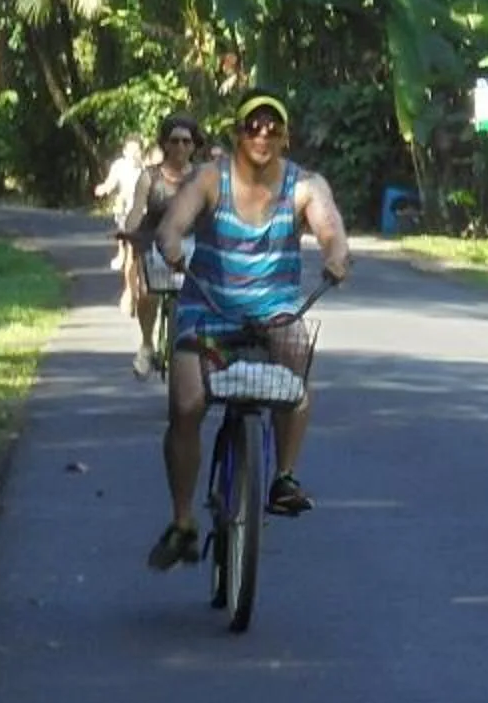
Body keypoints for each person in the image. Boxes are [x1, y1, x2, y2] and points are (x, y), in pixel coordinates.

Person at [143, 92, 350, 569]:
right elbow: (174, 223)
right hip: (207, 307)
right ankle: (182, 522)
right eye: (252, 126)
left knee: (296, 367)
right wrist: (171, 243)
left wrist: (337, 254)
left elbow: (329, 226)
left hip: (275, 312)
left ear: (285, 135)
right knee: (187, 404)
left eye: (272, 127)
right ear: (237, 133)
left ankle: (284, 477)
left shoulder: (304, 185)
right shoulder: (209, 179)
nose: (262, 135)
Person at [120, 114, 206, 377]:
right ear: (164, 144)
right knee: (149, 293)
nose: (180, 147)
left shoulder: (204, 176)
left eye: (186, 141)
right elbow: (136, 210)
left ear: (194, 145)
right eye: (174, 141)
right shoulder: (150, 176)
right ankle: (147, 344)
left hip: (192, 242)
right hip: (155, 240)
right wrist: (129, 232)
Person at [93, 135, 147, 316]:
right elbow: (111, 182)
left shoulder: (147, 167)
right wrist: (104, 188)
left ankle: (146, 288)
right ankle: (130, 291)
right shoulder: (119, 166)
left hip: (147, 215)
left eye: (137, 150)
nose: (133, 154)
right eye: (130, 151)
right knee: (131, 253)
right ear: (124, 152)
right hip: (127, 214)